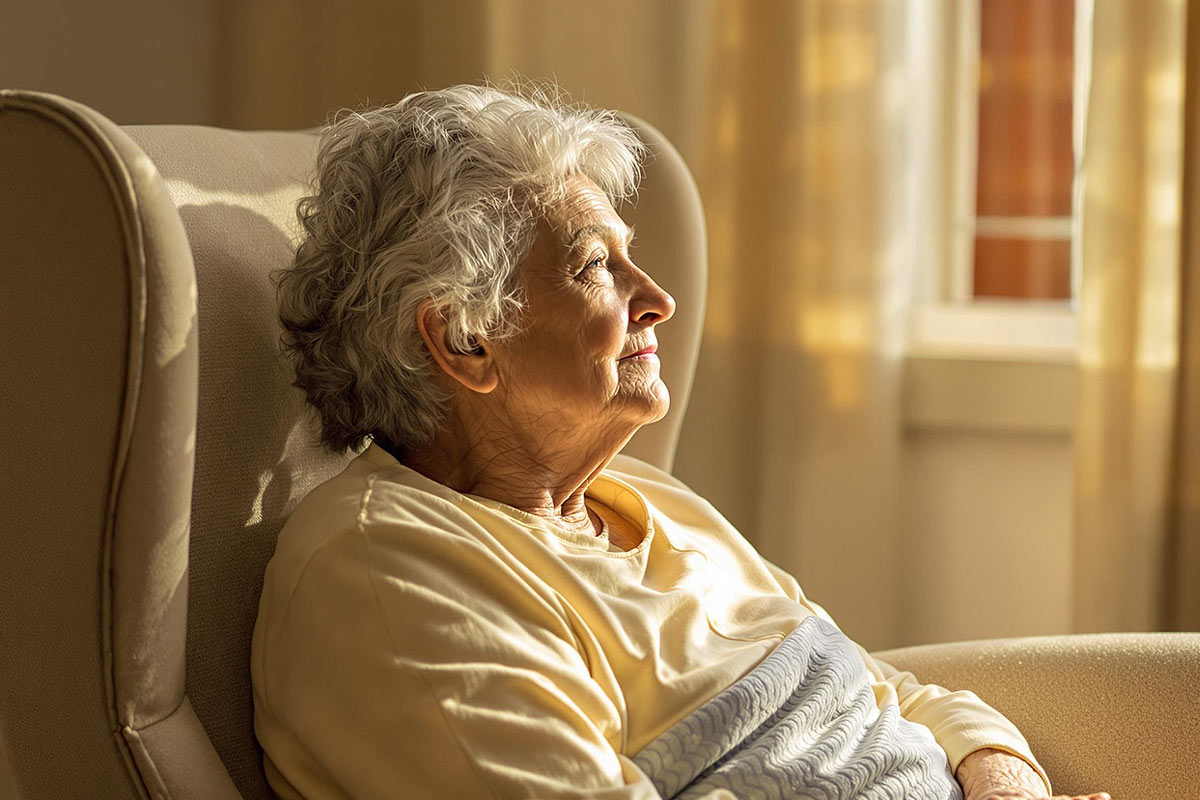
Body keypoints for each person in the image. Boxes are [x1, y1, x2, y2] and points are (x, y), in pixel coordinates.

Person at [251, 84, 1108, 800]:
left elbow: (887, 694)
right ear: (466, 340)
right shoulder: (385, 570)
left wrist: (1001, 780)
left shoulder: (647, 502)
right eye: (594, 266)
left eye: (633, 258)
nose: (655, 297)